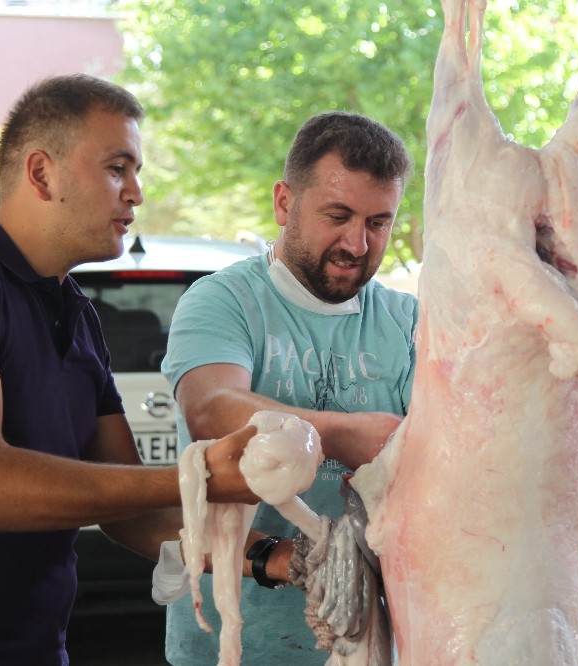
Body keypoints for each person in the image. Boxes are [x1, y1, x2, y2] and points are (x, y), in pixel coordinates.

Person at [0, 73, 258, 665]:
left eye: (137, 172)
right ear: (41, 173)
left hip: (37, 646)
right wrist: (200, 473)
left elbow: (134, 510)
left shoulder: (76, 311)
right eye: (116, 168)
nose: (136, 193)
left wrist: (277, 556)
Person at [160, 111, 417, 665]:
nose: (357, 241)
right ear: (284, 203)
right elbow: (212, 407)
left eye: (379, 222)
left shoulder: (408, 322)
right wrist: (345, 435)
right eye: (338, 215)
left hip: (357, 644)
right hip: (232, 646)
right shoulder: (223, 301)